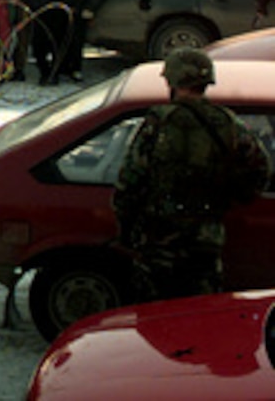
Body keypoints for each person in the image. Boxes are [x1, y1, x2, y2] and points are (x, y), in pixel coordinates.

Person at [113, 48, 271, 301]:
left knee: (156, 314)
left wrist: (126, 227)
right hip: (206, 238)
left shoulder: (159, 123)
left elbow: (131, 179)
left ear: (172, 81)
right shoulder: (228, 123)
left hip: (159, 239)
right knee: (199, 312)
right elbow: (260, 168)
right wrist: (233, 198)